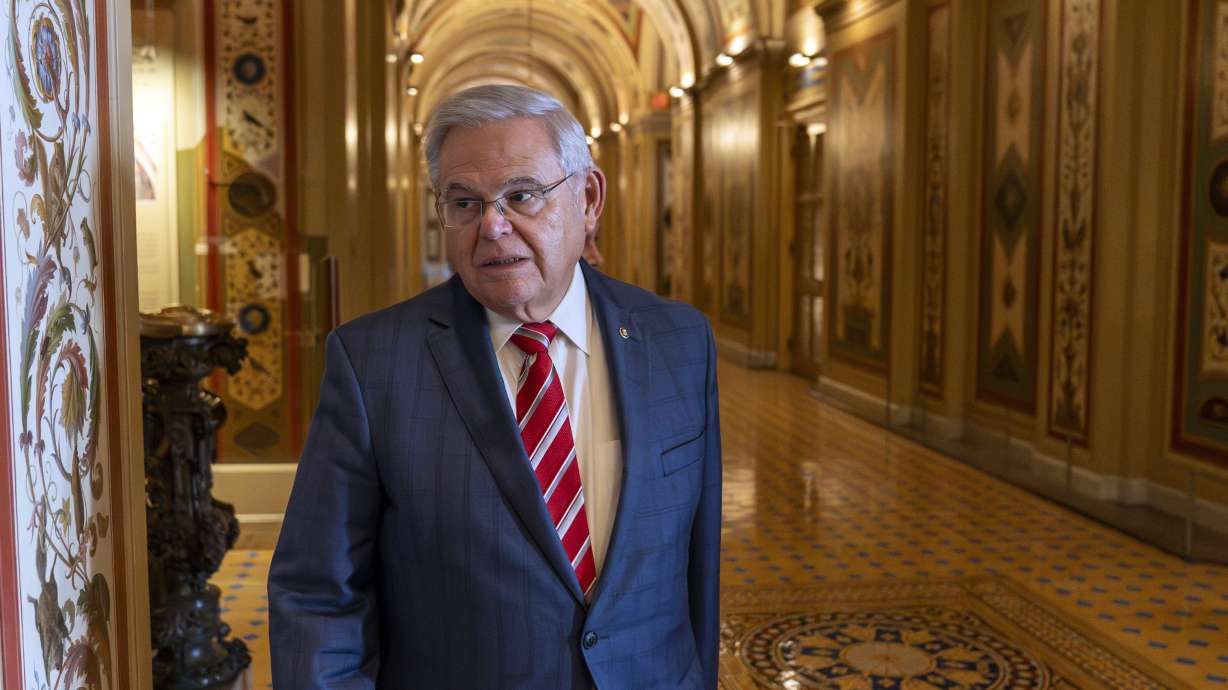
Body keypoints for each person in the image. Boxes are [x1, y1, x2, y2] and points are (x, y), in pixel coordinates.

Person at [268, 84, 722, 689]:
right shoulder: (374, 363)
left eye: (522, 195)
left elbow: (698, 572)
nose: (493, 226)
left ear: (588, 198)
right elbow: (318, 595)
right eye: (464, 203)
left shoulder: (679, 342)